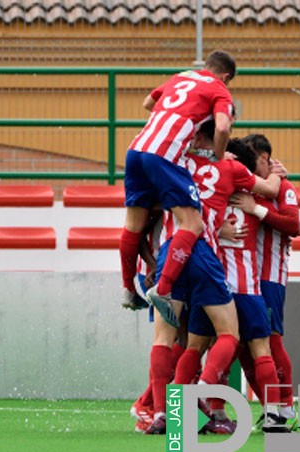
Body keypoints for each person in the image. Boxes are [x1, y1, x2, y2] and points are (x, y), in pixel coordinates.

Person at [144, 126, 282, 435]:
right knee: (232, 336)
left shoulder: (175, 162)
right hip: (208, 258)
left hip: (172, 249)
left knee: (167, 340)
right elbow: (272, 193)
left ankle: (162, 414)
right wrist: (277, 174)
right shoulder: (230, 168)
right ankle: (221, 400)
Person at [120, 51, 236, 328]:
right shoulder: (219, 89)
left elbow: (148, 102)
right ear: (226, 76)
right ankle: (162, 289)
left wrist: (173, 116)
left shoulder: (181, 76)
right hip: (164, 154)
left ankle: (127, 289)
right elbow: (222, 127)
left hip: (136, 148)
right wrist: (218, 157)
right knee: (192, 223)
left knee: (133, 224)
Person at [231, 133, 300, 425]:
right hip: (243, 277)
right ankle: (270, 407)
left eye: (253, 158)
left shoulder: (282, 186)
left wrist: (256, 209)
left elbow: (294, 225)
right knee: (243, 345)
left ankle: (285, 409)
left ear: (265, 158)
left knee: (270, 342)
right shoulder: (252, 185)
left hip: (270, 277)